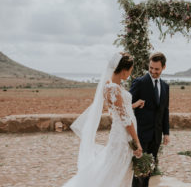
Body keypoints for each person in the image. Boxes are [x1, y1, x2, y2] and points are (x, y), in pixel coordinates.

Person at [62, 52, 144, 187]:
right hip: (123, 136)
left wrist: (134, 105)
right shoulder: (113, 89)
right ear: (123, 71)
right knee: (117, 171)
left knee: (117, 170)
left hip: (121, 134)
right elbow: (125, 120)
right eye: (130, 70)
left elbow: (117, 111)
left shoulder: (111, 86)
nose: (129, 74)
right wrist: (137, 142)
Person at [130, 52, 170, 187]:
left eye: (157, 69)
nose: (153, 71)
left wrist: (166, 133)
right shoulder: (140, 83)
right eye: (151, 68)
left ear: (163, 67)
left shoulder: (165, 86)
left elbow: (165, 110)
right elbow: (125, 106)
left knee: (149, 170)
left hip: (156, 136)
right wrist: (135, 104)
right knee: (138, 172)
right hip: (141, 135)